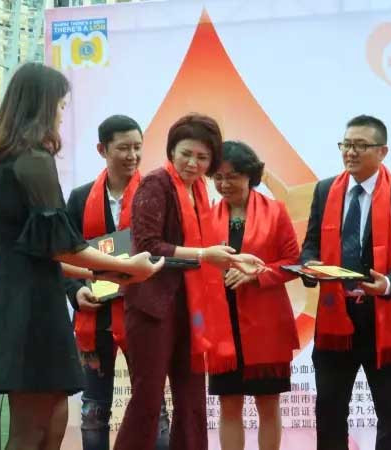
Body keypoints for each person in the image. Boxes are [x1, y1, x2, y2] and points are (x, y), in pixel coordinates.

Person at [0, 63, 164, 450]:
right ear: (42, 105)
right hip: (29, 302)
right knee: (30, 429)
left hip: (23, 292)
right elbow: (60, 245)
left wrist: (99, 274)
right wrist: (127, 266)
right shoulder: (33, 160)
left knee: (54, 415)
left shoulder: (6, 162)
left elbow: (40, 249)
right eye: (59, 105)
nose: (61, 114)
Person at [114, 114, 263, 450]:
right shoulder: (156, 184)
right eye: (186, 154)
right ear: (171, 151)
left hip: (191, 307)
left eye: (202, 157)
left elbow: (204, 246)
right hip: (152, 307)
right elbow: (149, 246)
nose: (193, 163)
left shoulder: (199, 189)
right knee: (148, 400)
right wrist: (203, 255)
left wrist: (233, 259)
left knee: (192, 400)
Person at [300, 115, 391, 450]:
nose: (350, 152)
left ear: (382, 151)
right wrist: (309, 266)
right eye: (346, 145)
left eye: (360, 145)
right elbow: (310, 245)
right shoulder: (325, 190)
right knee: (329, 411)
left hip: (384, 317)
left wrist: (389, 283)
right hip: (335, 318)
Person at [64, 114, 169, 450]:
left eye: (137, 147)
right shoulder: (80, 198)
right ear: (102, 150)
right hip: (95, 315)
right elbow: (65, 255)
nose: (132, 155)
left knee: (153, 402)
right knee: (94, 409)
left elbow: (166, 251)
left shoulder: (156, 194)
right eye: (123, 148)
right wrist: (76, 292)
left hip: (142, 312)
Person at [209, 141, 300, 450]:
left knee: (268, 403)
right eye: (218, 177)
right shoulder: (207, 216)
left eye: (232, 176)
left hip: (266, 323)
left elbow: (293, 263)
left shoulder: (276, 212)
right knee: (228, 404)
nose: (224, 184)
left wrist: (256, 274)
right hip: (223, 323)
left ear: (250, 175)